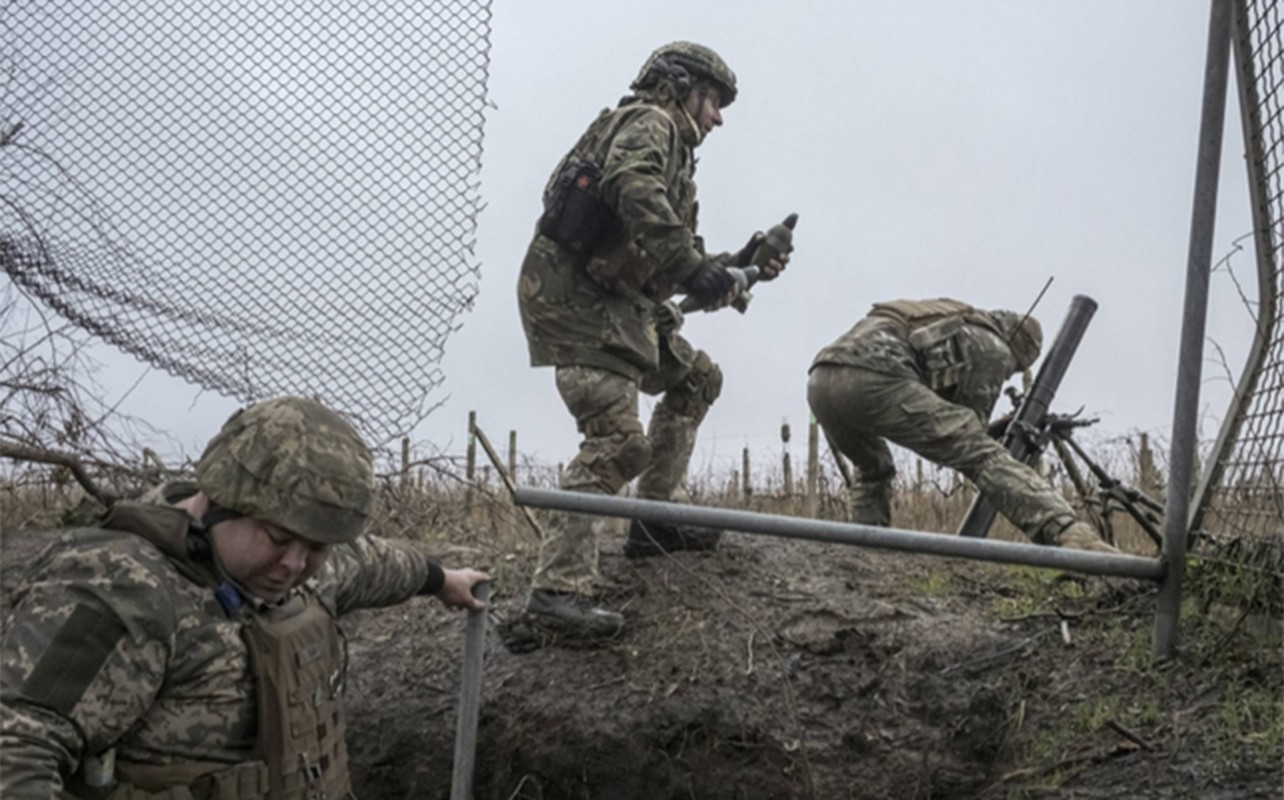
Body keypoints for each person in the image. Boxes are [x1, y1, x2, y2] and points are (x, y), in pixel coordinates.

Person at [0, 396, 491, 799]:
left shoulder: (300, 569)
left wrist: (442, 579)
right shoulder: (124, 589)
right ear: (219, 504)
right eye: (278, 540)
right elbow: (17, 751)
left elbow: (372, 565)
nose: (295, 565)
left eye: (317, 547)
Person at [515, 41, 789, 640]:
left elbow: (663, 269)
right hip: (577, 303)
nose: (717, 117)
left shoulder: (672, 152)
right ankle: (555, 593)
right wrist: (693, 268)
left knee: (697, 379)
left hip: (621, 303)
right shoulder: (650, 123)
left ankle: (654, 522)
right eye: (713, 99)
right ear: (678, 86)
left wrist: (735, 264)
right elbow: (632, 185)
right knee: (617, 443)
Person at [807, 297, 1119, 553]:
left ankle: (865, 554)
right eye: (1014, 369)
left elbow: (951, 418)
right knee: (983, 456)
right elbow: (971, 436)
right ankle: (1069, 532)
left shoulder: (950, 319)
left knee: (873, 468)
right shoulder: (994, 347)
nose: (1007, 375)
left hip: (821, 380)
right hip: (877, 379)